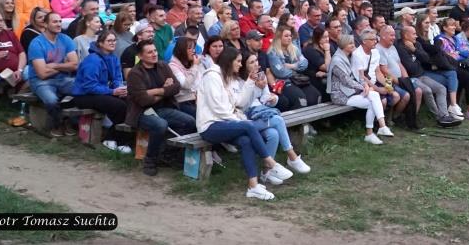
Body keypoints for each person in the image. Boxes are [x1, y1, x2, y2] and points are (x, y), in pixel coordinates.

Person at [197, 46, 301, 200]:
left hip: (226, 123)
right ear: (229, 61)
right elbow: (217, 108)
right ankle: (270, 163)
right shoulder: (212, 76)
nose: (241, 64)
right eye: (238, 61)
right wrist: (239, 121)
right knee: (248, 125)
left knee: (246, 140)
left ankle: (253, 186)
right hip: (210, 126)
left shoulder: (227, 78)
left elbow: (240, 103)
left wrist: (250, 82)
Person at [126, 39, 197, 176]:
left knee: (189, 121)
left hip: (163, 108)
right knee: (160, 125)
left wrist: (155, 91)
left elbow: (176, 87)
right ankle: (150, 160)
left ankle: (168, 154)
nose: (154, 54)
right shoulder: (135, 73)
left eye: (155, 51)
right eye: (149, 52)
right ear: (140, 56)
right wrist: (164, 90)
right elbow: (143, 100)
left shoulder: (163, 66)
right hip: (142, 112)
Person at [71, 29, 132, 154]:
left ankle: (118, 138)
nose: (113, 43)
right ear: (100, 43)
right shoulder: (92, 60)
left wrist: (120, 89)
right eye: (109, 41)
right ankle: (112, 139)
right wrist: (112, 92)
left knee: (130, 101)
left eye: (114, 40)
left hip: (102, 92)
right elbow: (89, 86)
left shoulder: (114, 58)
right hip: (84, 96)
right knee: (119, 106)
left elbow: (117, 78)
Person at [326, 34, 395, 144]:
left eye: (353, 43)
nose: (353, 45)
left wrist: (366, 85)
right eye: (350, 43)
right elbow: (346, 80)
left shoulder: (351, 56)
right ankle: (372, 132)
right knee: (373, 100)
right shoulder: (337, 60)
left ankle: (380, 127)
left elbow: (359, 75)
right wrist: (364, 87)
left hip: (352, 91)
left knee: (374, 96)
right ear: (343, 45)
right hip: (341, 95)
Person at [25, 12, 78, 136]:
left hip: (63, 78)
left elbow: (75, 65)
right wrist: (65, 66)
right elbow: (42, 73)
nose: (59, 24)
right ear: (45, 24)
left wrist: (54, 65)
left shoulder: (66, 39)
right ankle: (58, 124)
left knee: (83, 88)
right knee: (51, 100)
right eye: (54, 22)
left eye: (60, 21)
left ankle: (70, 121)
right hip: (41, 81)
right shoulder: (36, 43)